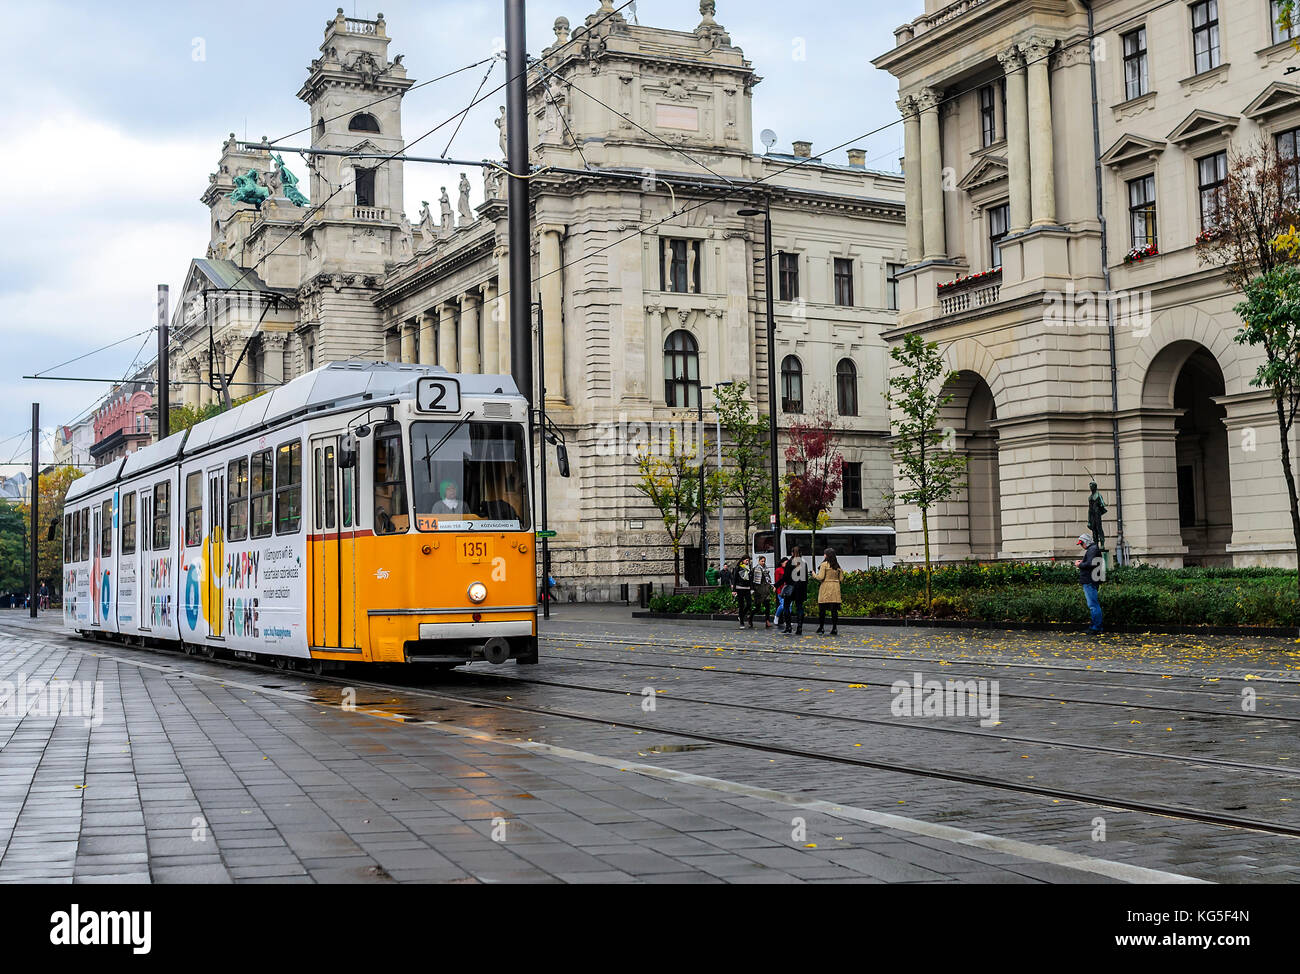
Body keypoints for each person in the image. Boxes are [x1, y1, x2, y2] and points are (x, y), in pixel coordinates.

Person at [1076, 533, 1105, 635]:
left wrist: (1080, 564)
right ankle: (1096, 627)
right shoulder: (1094, 549)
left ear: (1086, 542)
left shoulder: (1092, 549)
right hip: (1093, 579)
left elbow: (1090, 564)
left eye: (1082, 543)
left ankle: (1095, 627)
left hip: (1089, 580)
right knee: (1093, 604)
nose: (1082, 546)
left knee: (1093, 605)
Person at [813, 547, 843, 635]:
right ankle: (834, 628)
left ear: (827, 555)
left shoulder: (824, 564)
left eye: (824, 554)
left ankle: (821, 627)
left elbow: (821, 577)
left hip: (825, 588)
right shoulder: (837, 566)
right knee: (834, 610)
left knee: (822, 609)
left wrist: (814, 574)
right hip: (835, 588)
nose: (823, 555)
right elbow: (841, 579)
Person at [785, 546, 808, 634]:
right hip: (800, 589)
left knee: (786, 606)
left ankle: (788, 627)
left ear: (792, 553)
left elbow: (786, 577)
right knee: (799, 608)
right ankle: (799, 627)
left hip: (791, 588)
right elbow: (805, 578)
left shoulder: (789, 562)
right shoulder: (803, 563)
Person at [732, 556, 754, 629]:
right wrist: (734, 590)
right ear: (743, 560)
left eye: (748, 560)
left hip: (747, 588)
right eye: (746, 560)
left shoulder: (749, 568)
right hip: (739, 588)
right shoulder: (738, 568)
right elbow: (734, 579)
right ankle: (741, 621)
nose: (747, 562)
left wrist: (752, 588)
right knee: (741, 605)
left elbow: (751, 579)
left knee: (749, 603)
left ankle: (741, 615)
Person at [752, 556, 773, 629]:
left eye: (764, 561)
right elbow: (755, 581)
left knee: (767, 606)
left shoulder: (766, 569)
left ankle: (767, 621)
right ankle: (750, 617)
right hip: (759, 590)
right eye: (762, 561)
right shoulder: (756, 569)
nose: (763, 563)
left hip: (766, 590)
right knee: (758, 608)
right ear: (759, 561)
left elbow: (768, 579)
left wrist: (770, 585)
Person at [771, 556, 789, 626]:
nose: (787, 564)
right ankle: (777, 616)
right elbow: (777, 580)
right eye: (785, 563)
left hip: (788, 590)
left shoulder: (788, 569)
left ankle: (787, 620)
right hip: (781, 590)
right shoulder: (778, 570)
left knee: (789, 607)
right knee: (782, 605)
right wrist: (778, 590)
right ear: (781, 563)